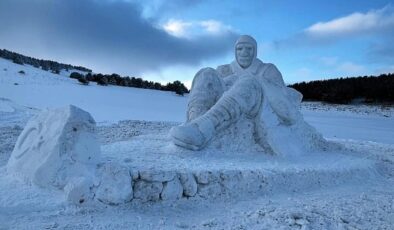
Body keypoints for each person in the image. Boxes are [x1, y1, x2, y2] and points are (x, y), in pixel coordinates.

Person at [170, 35, 305, 151]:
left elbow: (284, 107)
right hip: (223, 108)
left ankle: (203, 129)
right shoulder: (225, 69)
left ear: (255, 51)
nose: (244, 52)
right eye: (240, 48)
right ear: (235, 51)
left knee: (249, 81)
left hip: (253, 111)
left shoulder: (268, 70)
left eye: (249, 48)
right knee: (207, 73)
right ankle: (193, 124)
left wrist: (258, 82)